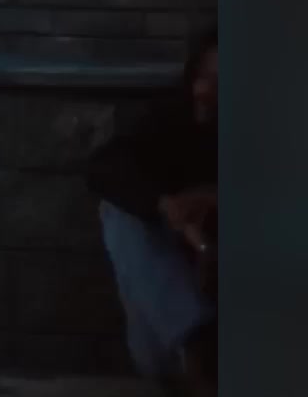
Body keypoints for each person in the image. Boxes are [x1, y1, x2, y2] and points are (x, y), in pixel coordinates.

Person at [89, 29, 218, 395]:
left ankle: (199, 349)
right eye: (202, 77)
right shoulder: (171, 119)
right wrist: (164, 205)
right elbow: (105, 166)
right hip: (175, 317)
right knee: (119, 212)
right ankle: (193, 340)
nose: (204, 91)